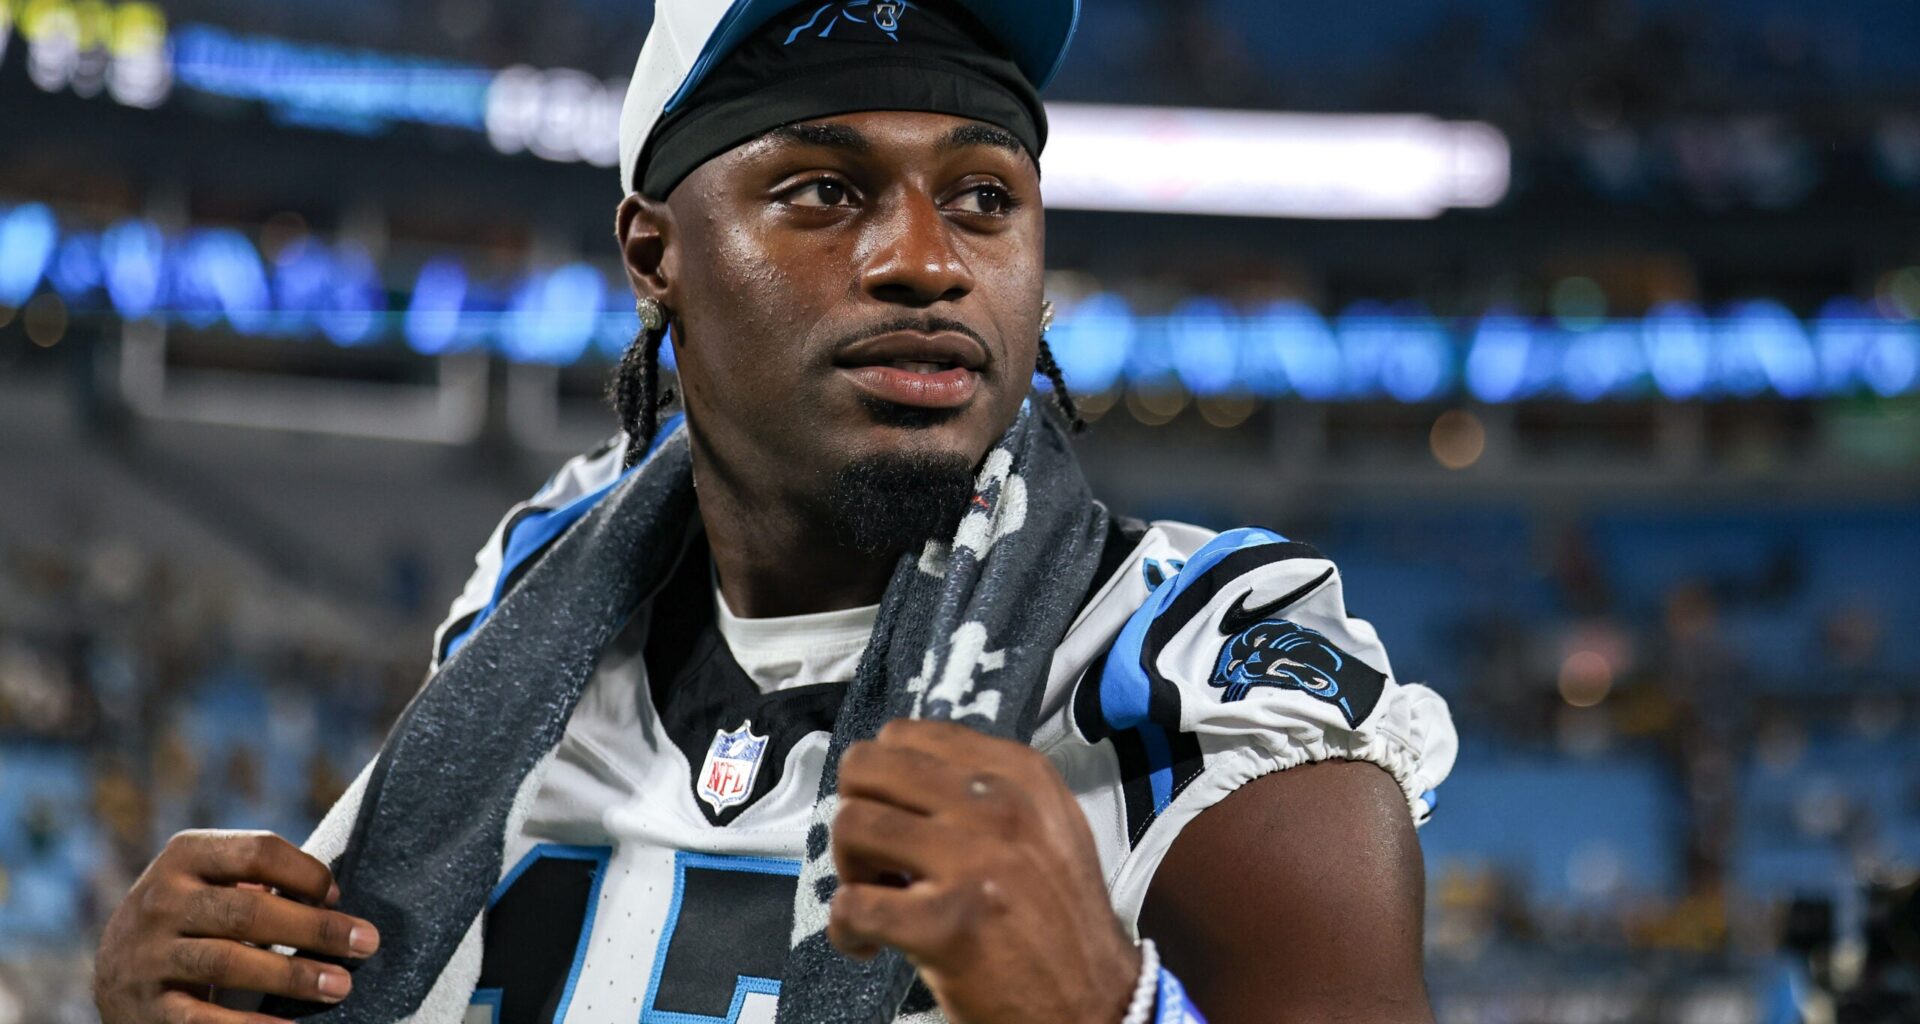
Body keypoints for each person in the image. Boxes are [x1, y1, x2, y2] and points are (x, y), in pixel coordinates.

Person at [93, 1, 1458, 1022]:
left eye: (983, 196)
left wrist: (1115, 1013)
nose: (926, 259)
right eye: (824, 191)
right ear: (655, 254)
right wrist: (166, 983)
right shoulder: (536, 599)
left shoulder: (1196, 686)